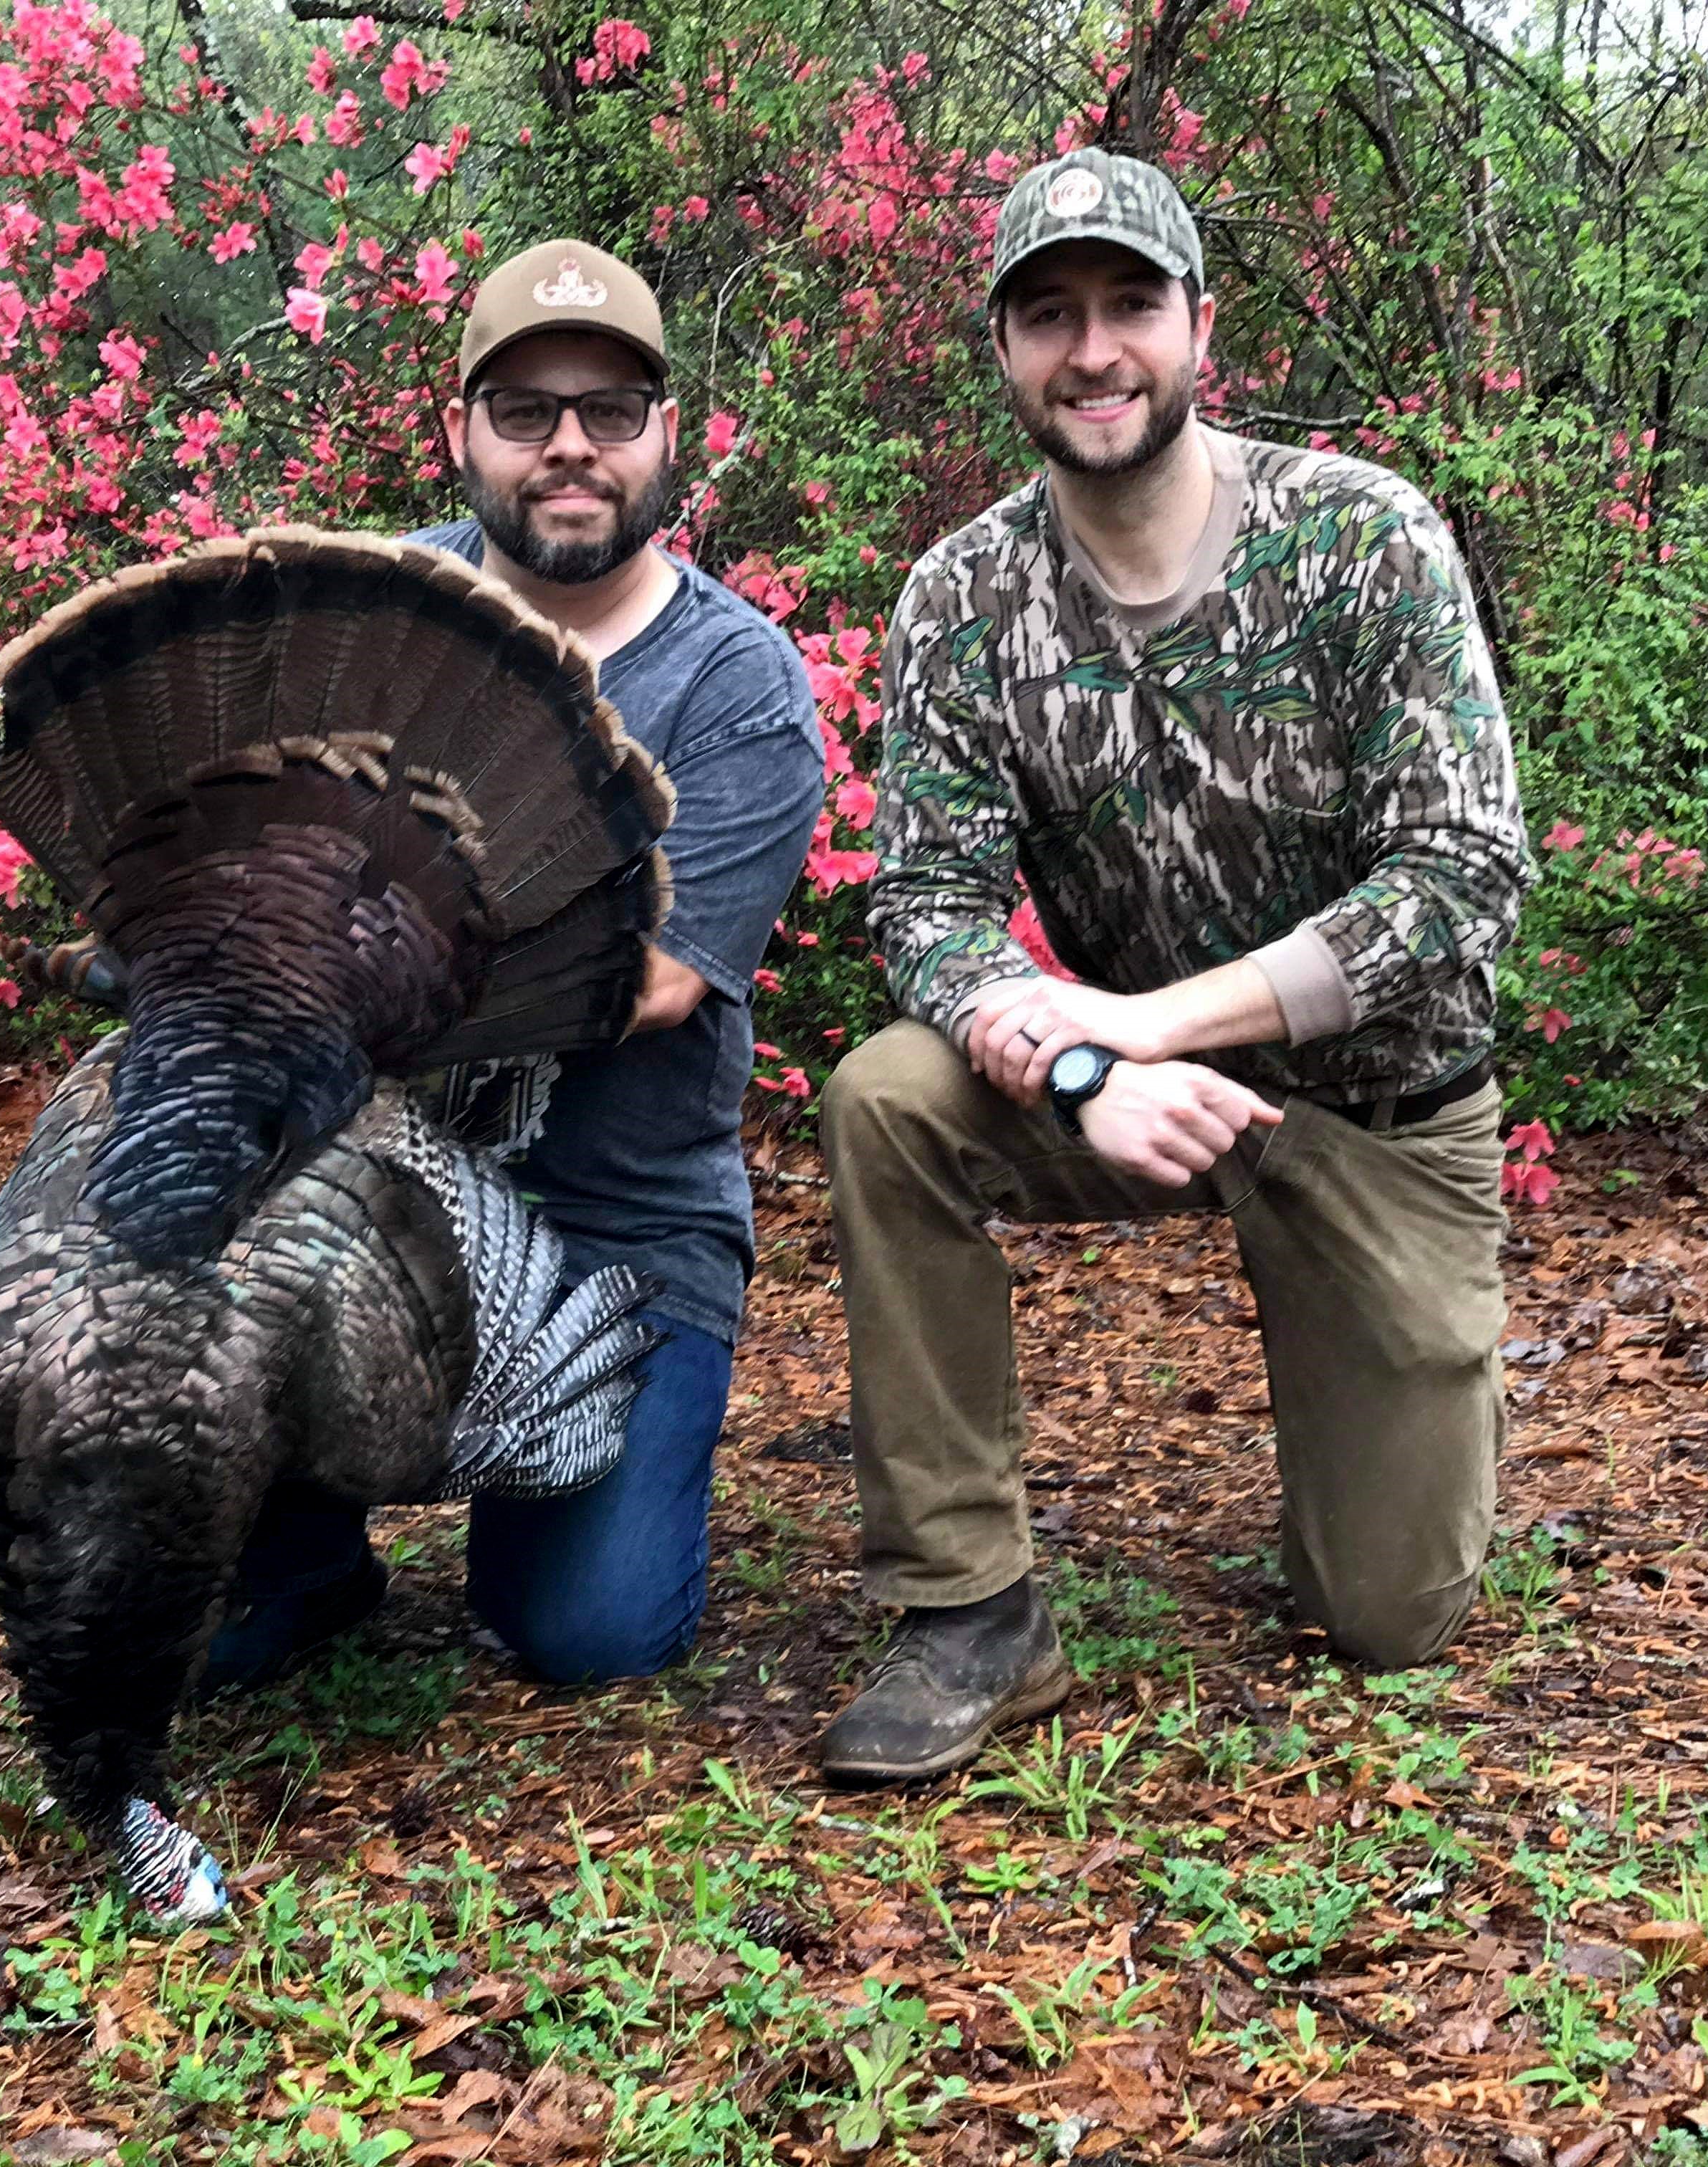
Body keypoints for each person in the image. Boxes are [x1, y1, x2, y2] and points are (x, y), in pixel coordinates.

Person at [815, 148, 1532, 1784]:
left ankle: (1427, 1380)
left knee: (1387, 1615)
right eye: (1049, 315)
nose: (1094, 351)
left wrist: (1142, 1026)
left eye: (1131, 304)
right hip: (1123, 1088)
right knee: (886, 1098)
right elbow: (923, 902)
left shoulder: (1362, 539)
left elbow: (1465, 877)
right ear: (1004, 350)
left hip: (1374, 1110)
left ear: (1200, 324)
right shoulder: (964, 595)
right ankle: (970, 1607)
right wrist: (1075, 1065)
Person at [201, 239, 826, 1693]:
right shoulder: (373, 617)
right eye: (525, 408)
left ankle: (540, 1487)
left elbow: (653, 984)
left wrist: (342, 945)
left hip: (618, 1222)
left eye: (611, 411)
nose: (569, 446)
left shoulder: (738, 687)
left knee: (584, 1632)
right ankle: (304, 1551)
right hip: (360, 1184)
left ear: (668, 437)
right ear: (459, 431)